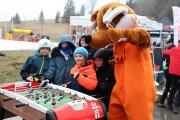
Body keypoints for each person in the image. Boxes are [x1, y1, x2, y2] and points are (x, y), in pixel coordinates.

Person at [163, 41, 180, 113]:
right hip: (176, 72)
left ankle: (169, 104)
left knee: (173, 88)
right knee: (175, 89)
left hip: (174, 72)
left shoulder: (174, 50)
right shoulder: (175, 49)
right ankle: (175, 104)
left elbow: (164, 52)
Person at [158, 43, 175, 107]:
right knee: (172, 88)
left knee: (168, 87)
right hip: (171, 72)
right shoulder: (172, 54)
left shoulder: (165, 54)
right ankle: (169, 103)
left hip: (166, 72)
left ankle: (162, 102)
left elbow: (163, 64)